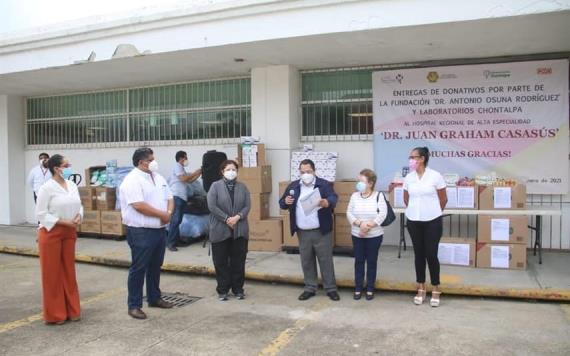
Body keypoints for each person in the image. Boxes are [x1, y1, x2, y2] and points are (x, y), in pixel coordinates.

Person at [119, 148, 175, 320]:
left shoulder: (157, 177)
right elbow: (139, 206)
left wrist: (169, 213)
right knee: (139, 267)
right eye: (151, 159)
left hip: (159, 229)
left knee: (155, 266)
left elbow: (169, 197)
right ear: (141, 162)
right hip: (140, 231)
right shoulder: (132, 180)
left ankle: (154, 297)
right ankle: (134, 305)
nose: (154, 162)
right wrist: (162, 215)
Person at [279, 159, 340, 301]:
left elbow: (334, 197)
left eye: (308, 171)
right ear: (299, 172)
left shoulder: (323, 184)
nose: (305, 174)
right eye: (302, 172)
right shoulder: (293, 186)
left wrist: (327, 202)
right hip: (303, 231)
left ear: (314, 171)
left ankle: (330, 288)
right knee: (306, 260)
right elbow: (282, 203)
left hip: (321, 231)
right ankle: (310, 287)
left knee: (325, 260)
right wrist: (285, 202)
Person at [35, 154, 82, 325]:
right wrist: (64, 222)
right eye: (66, 165)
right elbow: (41, 214)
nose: (69, 167)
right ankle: (56, 314)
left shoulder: (71, 184)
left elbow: (79, 204)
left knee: (69, 271)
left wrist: (78, 217)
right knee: (52, 274)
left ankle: (72, 310)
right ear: (56, 168)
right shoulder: (46, 188)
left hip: (69, 231)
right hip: (51, 231)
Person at [403, 147, 447, 307]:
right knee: (418, 254)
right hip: (414, 221)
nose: (410, 160)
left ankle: (436, 288)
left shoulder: (435, 176)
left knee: (431, 254)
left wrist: (432, 212)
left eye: (412, 157)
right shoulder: (409, 178)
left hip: (432, 221)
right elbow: (406, 198)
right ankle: (421, 287)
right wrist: (416, 212)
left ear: (422, 159)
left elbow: (443, 199)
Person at [207, 160, 251, 301]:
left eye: (234, 169)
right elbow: (212, 206)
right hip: (220, 229)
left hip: (239, 229)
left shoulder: (242, 187)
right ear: (222, 171)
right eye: (228, 169)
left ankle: (238, 288)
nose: (231, 172)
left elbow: (247, 205)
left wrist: (237, 217)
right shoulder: (215, 186)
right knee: (220, 261)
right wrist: (226, 219)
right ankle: (223, 289)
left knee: (239, 260)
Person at [346, 169, 387, 301]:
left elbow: (382, 214)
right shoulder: (354, 196)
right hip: (357, 234)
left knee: (371, 261)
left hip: (374, 235)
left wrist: (369, 226)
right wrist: (360, 224)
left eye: (362, 181)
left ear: (370, 183)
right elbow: (349, 213)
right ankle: (358, 287)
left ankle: (370, 288)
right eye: (359, 180)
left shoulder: (379, 196)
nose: (359, 184)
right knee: (358, 261)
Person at [166, 150, 202, 251]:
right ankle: (170, 243)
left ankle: (176, 241)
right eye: (186, 158)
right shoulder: (177, 166)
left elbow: (189, 180)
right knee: (175, 220)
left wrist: (198, 174)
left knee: (178, 220)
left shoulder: (181, 169)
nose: (186, 160)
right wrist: (195, 172)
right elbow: (183, 179)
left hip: (181, 197)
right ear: (181, 158)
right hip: (176, 196)